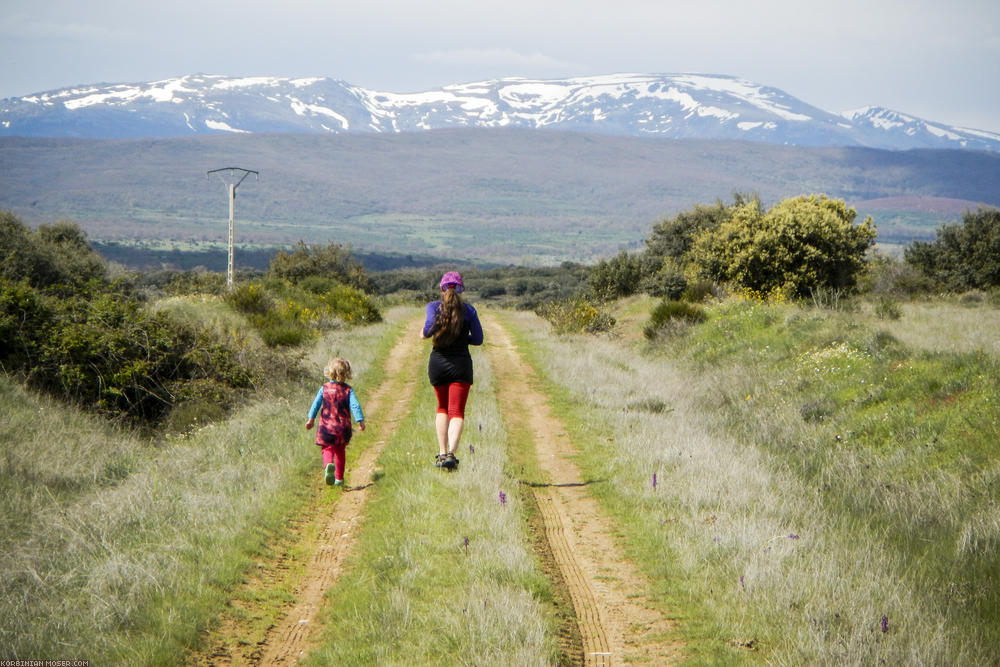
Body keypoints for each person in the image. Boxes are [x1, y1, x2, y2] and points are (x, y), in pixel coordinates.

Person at [422, 271, 484, 469]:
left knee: (442, 408)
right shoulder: (469, 310)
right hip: (461, 366)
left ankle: (441, 453)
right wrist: (460, 336)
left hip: (438, 364)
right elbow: (478, 339)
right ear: (461, 289)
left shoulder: (433, 307)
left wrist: (435, 334)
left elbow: (428, 329)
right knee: (456, 411)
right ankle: (451, 455)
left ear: (442, 288)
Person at [305, 357, 366, 486]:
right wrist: (360, 420)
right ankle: (339, 478)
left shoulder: (325, 388)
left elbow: (316, 404)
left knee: (327, 448)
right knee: (340, 451)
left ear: (330, 372)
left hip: (326, 427)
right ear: (347, 374)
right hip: (343, 428)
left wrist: (311, 419)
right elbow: (355, 406)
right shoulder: (348, 390)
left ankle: (328, 466)